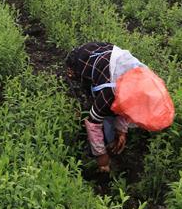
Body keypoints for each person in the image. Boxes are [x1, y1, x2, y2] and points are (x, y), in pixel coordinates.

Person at [65, 42, 175, 173]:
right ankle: (102, 145)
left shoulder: (145, 84)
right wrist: (101, 156)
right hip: (83, 59)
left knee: (112, 112)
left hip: (109, 56)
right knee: (101, 111)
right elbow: (93, 122)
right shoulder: (108, 93)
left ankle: (110, 138)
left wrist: (121, 131)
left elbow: (129, 108)